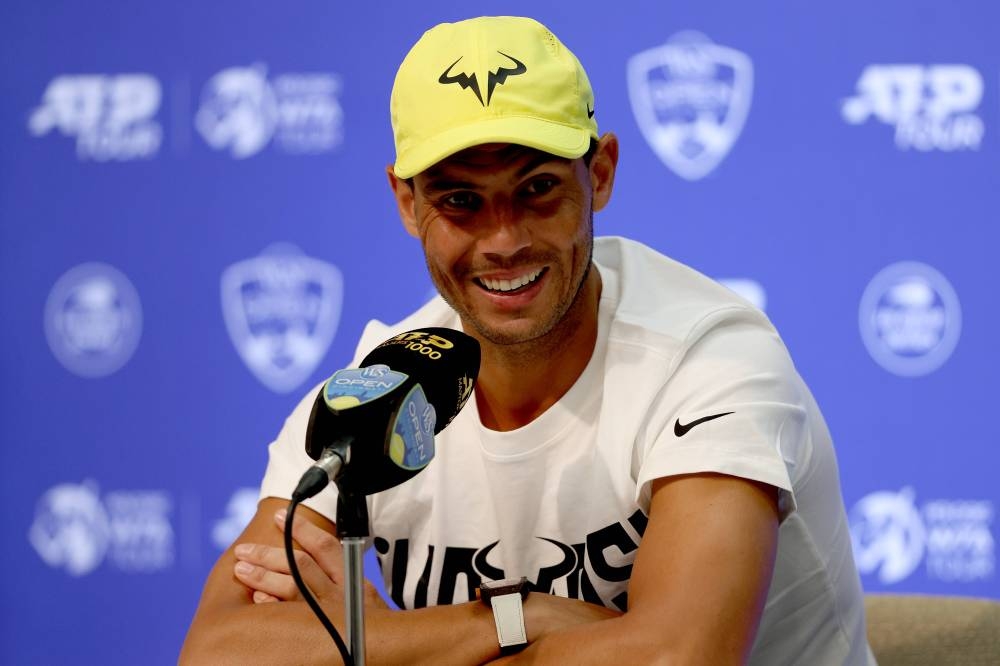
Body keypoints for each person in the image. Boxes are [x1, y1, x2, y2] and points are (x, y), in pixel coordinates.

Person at [181, 15, 875, 665]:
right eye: (460, 201)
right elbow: (217, 650)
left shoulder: (711, 360)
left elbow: (676, 656)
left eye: (538, 188)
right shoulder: (381, 388)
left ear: (599, 174)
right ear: (407, 203)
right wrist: (512, 621)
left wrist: (374, 645)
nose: (505, 240)